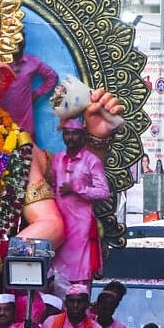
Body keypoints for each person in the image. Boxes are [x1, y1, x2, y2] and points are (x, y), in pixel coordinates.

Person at [51, 115, 111, 283]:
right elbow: (54, 185)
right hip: (60, 222)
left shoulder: (92, 161)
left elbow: (103, 192)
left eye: (75, 134)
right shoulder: (57, 159)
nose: (70, 138)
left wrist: (78, 189)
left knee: (80, 272)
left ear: (83, 136)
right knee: (57, 273)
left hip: (81, 225)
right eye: (67, 133)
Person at [0, 37, 58, 135]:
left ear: (23, 45)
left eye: (19, 43)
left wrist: (37, 94)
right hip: (0, 116)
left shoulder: (32, 62)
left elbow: (52, 76)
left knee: (27, 146)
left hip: (24, 118)